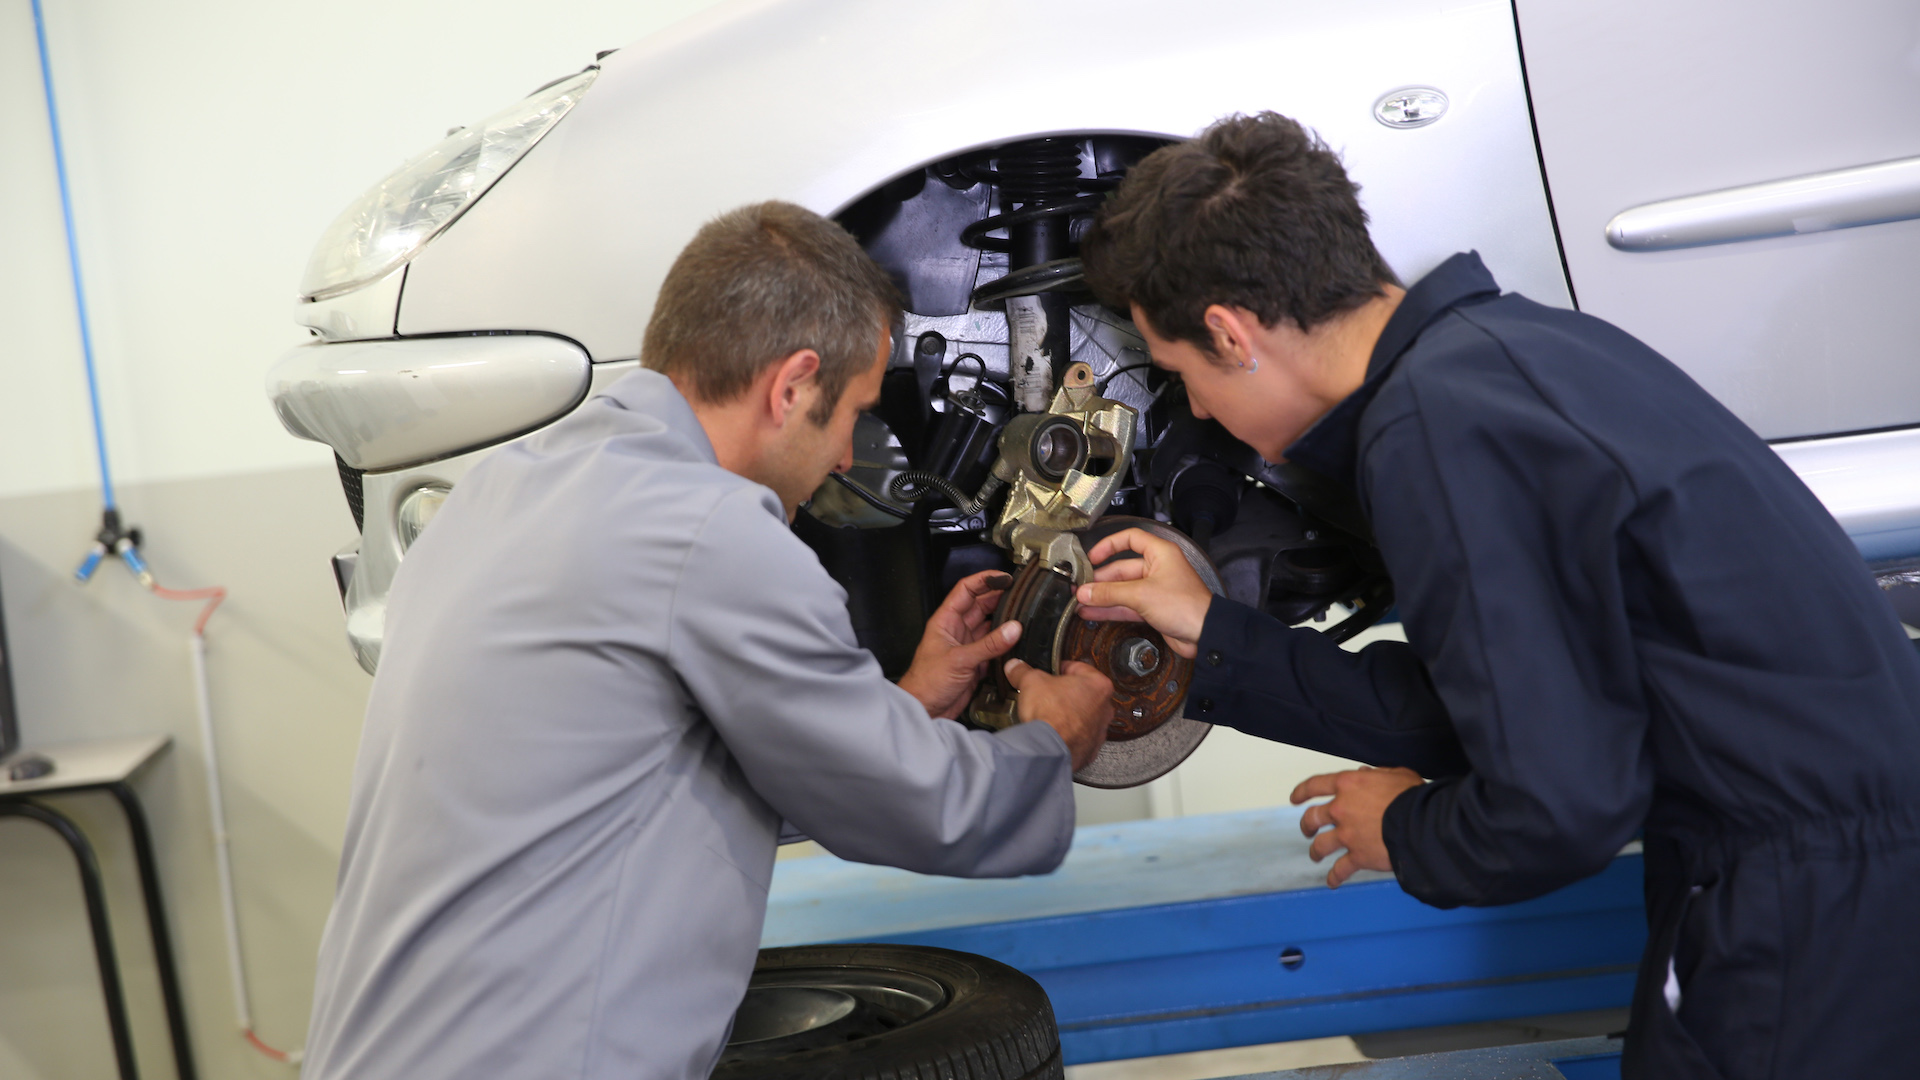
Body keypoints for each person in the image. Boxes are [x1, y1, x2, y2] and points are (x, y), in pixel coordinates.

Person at [1075, 113, 1920, 1079]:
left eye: (1180, 374)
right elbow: (1497, 710)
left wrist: (1406, 830)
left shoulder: (1431, 431)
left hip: (1802, 895)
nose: (1193, 409)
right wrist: (1215, 632)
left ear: (1230, 335)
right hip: (1849, 864)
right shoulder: (1508, 354)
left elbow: (1563, 804)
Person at [302, 201, 1114, 1080]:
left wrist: (906, 705)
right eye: (855, 412)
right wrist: (1054, 742)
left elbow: (663, 766)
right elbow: (911, 805)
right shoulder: (709, 530)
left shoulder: (505, 491)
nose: (848, 458)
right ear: (793, 385)